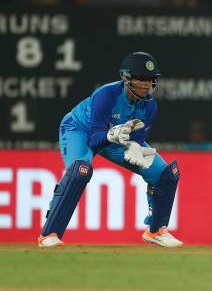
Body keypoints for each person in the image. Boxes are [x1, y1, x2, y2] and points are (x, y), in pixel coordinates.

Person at [38, 52, 182, 248]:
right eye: (141, 79)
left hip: (117, 137)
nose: (146, 85)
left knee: (164, 173)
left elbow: (137, 137)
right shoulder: (106, 95)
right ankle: (49, 234)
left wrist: (133, 146)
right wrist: (110, 136)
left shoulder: (150, 106)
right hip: (80, 129)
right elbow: (94, 138)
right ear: (127, 78)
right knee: (80, 170)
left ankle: (156, 230)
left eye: (151, 79)